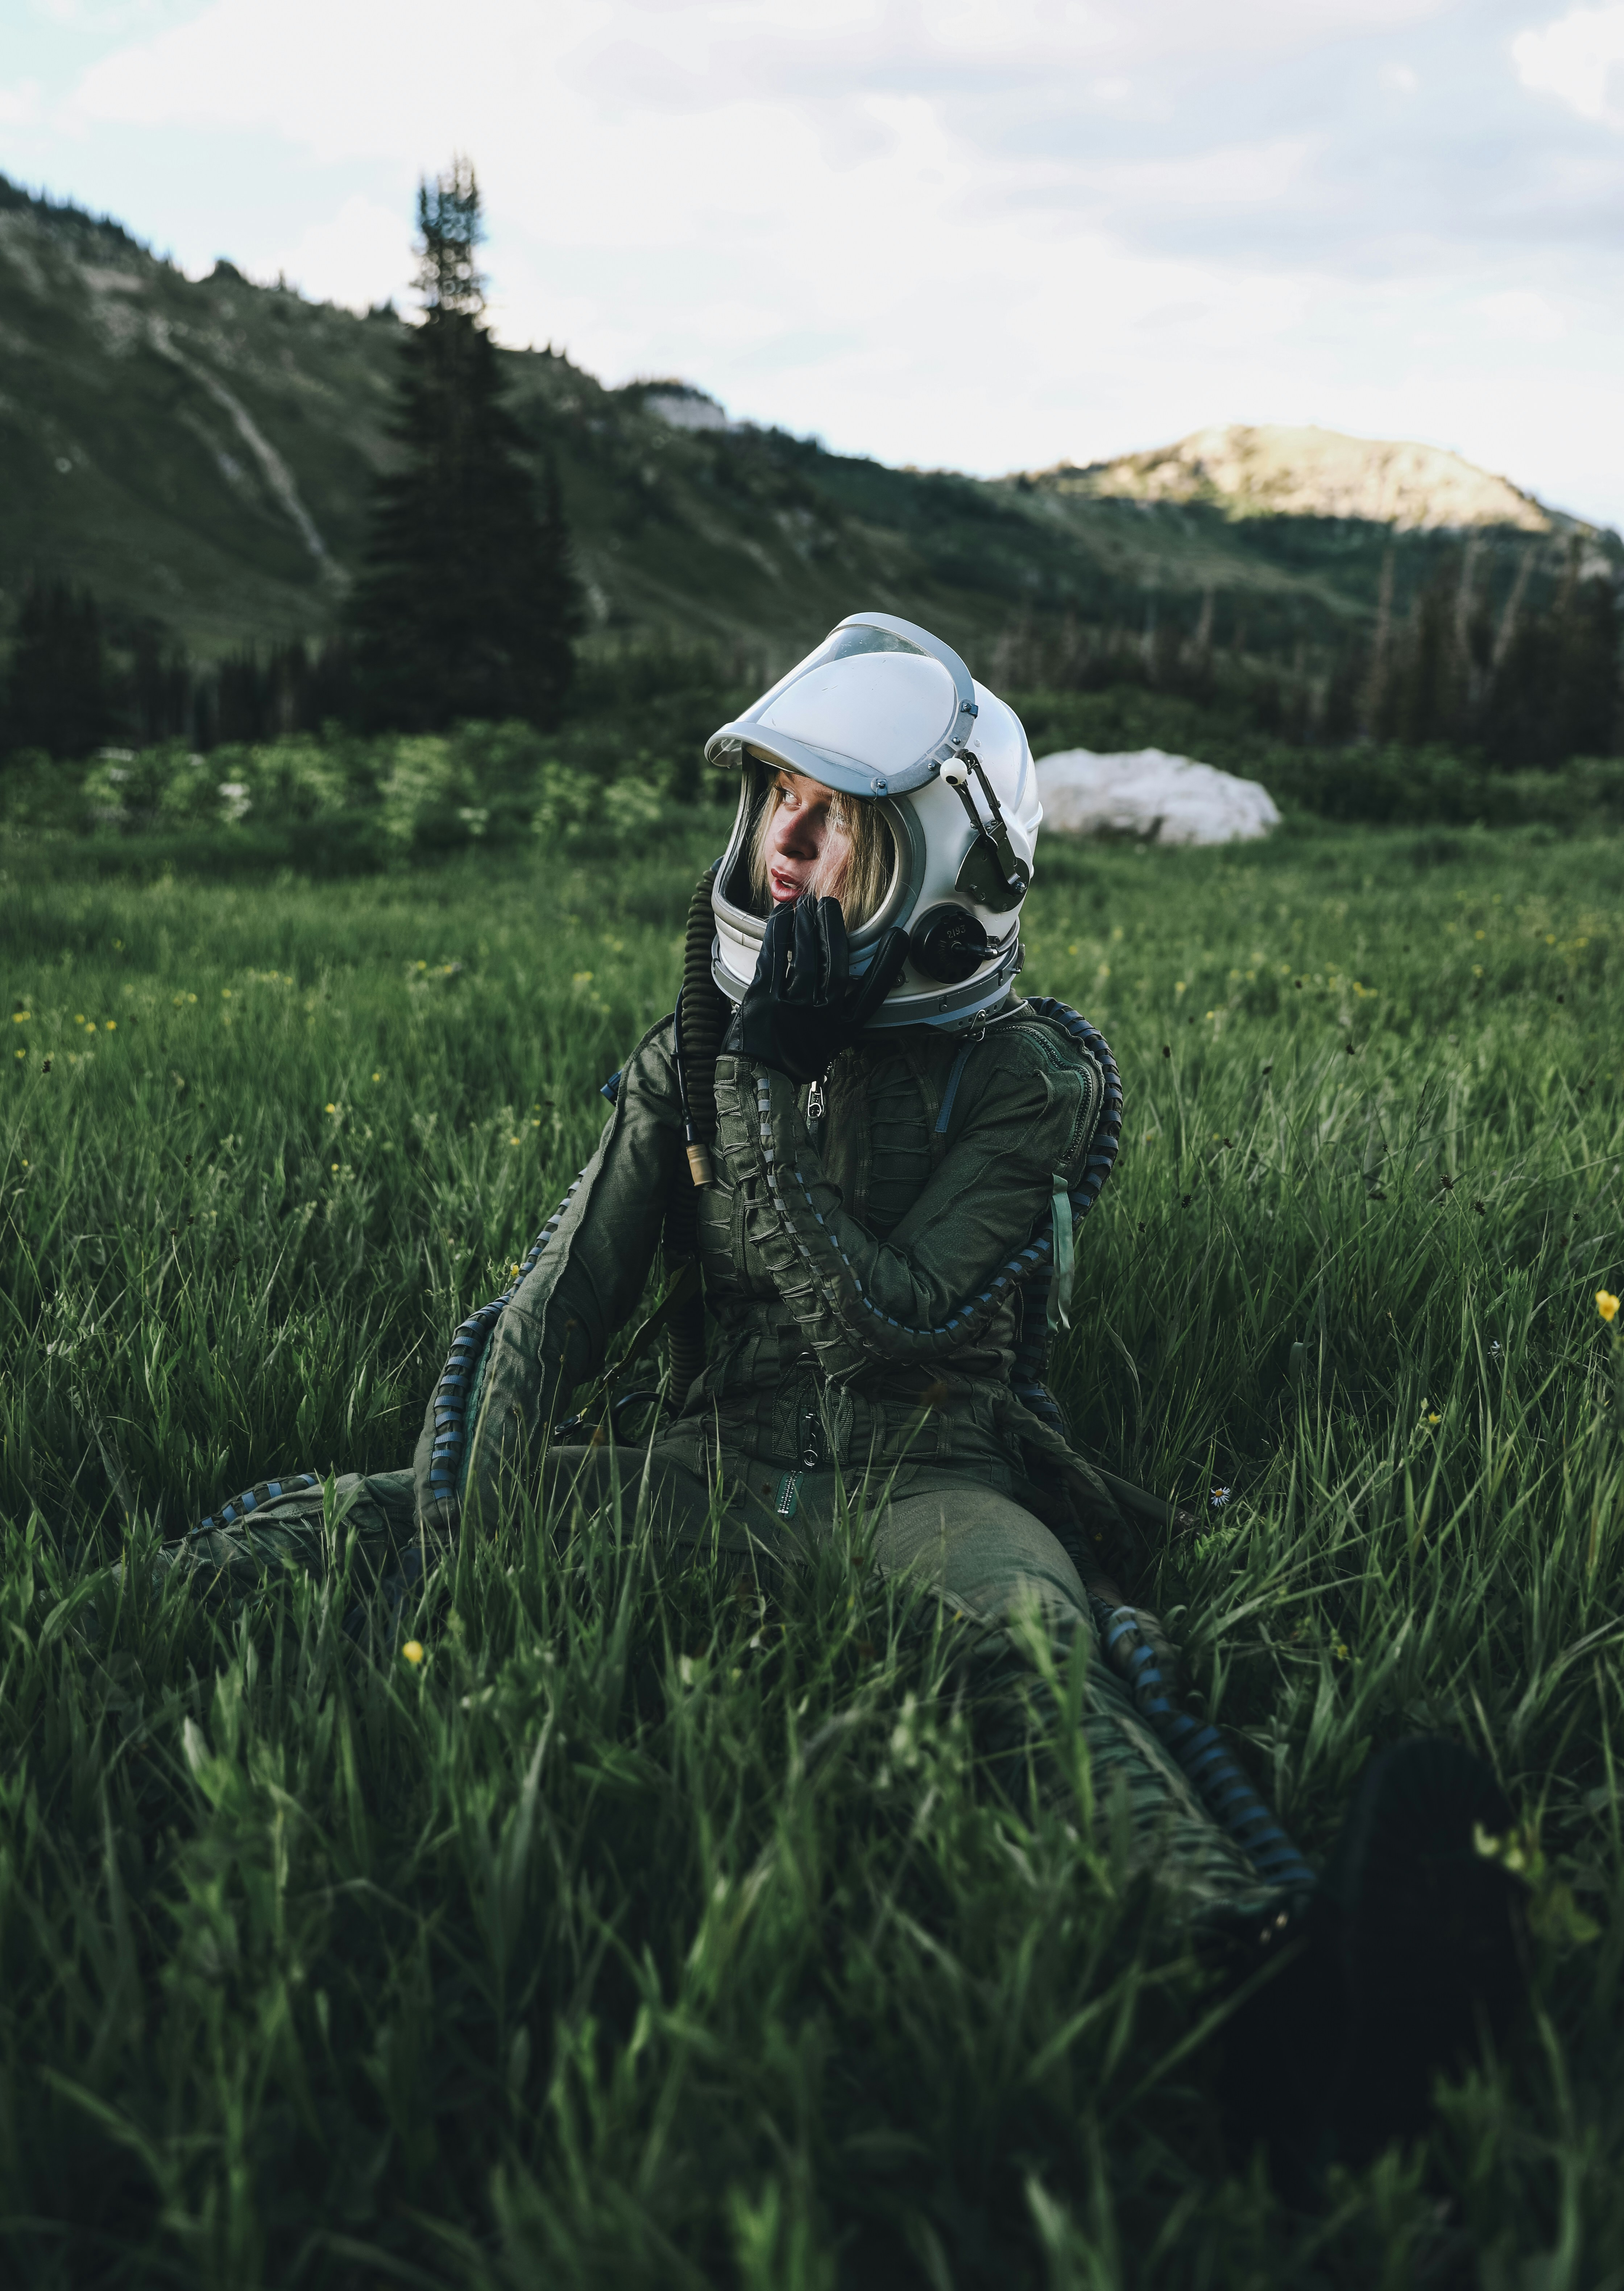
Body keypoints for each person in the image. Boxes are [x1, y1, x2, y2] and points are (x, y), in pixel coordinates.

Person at [137, 610, 1524, 2183]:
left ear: (939, 870)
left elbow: (888, 1326)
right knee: (325, 1526)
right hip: (709, 1460)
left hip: (935, 1483)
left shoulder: (1030, 1082)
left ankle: (1281, 1980)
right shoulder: (691, 1053)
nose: (783, 850)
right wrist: (469, 1529)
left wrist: (765, 1093)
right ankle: (98, 1615)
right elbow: (552, 1311)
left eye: (835, 824)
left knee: (1045, 1671)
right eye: (771, 806)